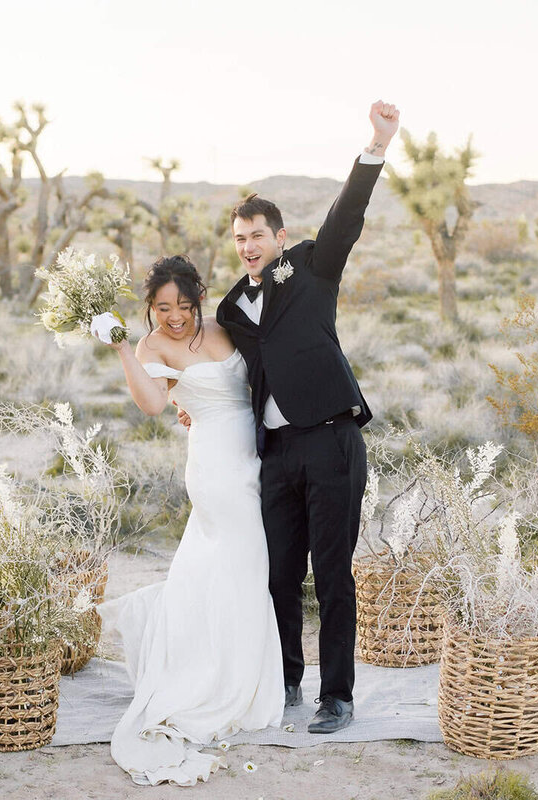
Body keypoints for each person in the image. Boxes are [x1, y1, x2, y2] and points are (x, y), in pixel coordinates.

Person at [214, 100, 399, 734]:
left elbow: (347, 218)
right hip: (275, 452)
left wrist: (374, 147)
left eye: (257, 237)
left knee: (332, 574)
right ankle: (285, 681)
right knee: (279, 574)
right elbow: (231, 369)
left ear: (279, 237)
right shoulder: (233, 307)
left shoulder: (314, 270)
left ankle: (338, 696)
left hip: (330, 441)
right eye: (239, 239)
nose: (247, 248)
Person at [96, 256, 283, 787]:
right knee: (243, 562)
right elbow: (154, 403)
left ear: (198, 298)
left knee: (241, 567)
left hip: (258, 454)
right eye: (161, 307)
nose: (174, 317)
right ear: (149, 308)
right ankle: (230, 684)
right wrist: (120, 349)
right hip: (216, 466)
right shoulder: (150, 346)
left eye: (183, 305)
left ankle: (234, 668)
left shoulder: (225, 327)